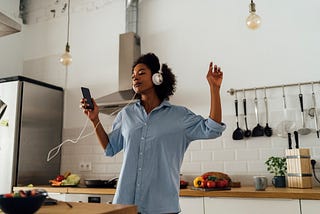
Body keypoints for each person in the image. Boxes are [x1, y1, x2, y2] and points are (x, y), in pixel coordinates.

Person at [81, 53, 226, 213]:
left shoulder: (179, 116)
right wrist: (95, 119)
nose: (135, 78)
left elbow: (212, 129)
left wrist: (214, 89)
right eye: (133, 75)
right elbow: (110, 147)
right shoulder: (126, 114)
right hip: (125, 204)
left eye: (141, 73)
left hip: (162, 207)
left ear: (158, 77)